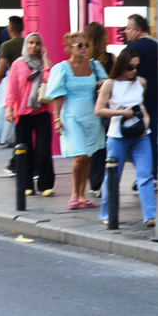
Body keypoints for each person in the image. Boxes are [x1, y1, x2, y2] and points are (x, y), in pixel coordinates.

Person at [94, 47, 156, 226]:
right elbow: (98, 109)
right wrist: (121, 113)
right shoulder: (110, 83)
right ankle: (107, 214)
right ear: (121, 65)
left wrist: (146, 123)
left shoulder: (141, 82)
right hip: (117, 135)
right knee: (113, 175)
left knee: (146, 174)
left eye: (137, 67)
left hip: (140, 134)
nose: (133, 71)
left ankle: (151, 215)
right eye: (130, 67)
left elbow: (142, 107)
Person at [47, 31, 108, 210]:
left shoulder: (95, 66)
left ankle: (83, 194)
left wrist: (101, 86)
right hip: (72, 115)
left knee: (88, 156)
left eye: (86, 45)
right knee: (80, 155)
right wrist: (57, 118)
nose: (84, 49)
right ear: (70, 48)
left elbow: (106, 85)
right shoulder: (63, 68)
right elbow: (57, 95)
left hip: (92, 115)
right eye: (79, 45)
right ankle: (74, 193)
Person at [4, 32, 55, 196]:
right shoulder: (18, 64)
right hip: (23, 111)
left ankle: (46, 184)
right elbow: (11, 87)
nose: (33, 46)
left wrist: (46, 62)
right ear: (26, 45)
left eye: (37, 43)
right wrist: (9, 107)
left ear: (41, 46)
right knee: (23, 149)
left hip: (42, 111)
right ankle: (27, 184)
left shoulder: (45, 64)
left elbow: (51, 82)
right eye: (30, 43)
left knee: (44, 149)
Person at [125, 14, 158, 182]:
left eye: (129, 28)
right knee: (152, 137)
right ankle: (150, 174)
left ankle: (145, 175)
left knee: (139, 139)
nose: (125, 31)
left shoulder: (132, 49)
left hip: (138, 102)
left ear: (138, 30)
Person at [85, 22, 115, 197]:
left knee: (95, 146)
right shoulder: (111, 58)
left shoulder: (86, 61)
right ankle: (103, 180)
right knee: (105, 144)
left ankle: (95, 183)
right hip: (108, 106)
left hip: (90, 106)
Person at [0, 17, 24, 147]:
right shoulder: (29, 43)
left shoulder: (6, 46)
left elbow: (1, 71)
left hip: (12, 82)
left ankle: (5, 136)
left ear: (10, 28)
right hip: (26, 85)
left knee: (7, 107)